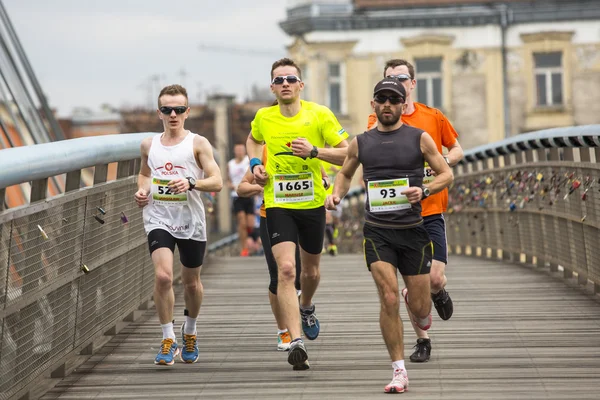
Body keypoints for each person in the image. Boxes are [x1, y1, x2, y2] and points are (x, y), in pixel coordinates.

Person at [326, 78, 453, 392]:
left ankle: (420, 307)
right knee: (388, 297)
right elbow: (344, 172)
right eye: (381, 99)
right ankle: (399, 370)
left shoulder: (419, 138)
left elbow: (446, 173)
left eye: (393, 100)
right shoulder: (361, 142)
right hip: (378, 232)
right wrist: (336, 193)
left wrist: (423, 190)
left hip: (413, 231)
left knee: (421, 307)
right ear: (373, 105)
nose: (387, 104)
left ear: (401, 105)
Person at [246, 58, 349, 370]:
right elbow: (253, 140)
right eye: (279, 80)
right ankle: (296, 341)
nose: (285, 84)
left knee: (311, 273)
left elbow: (349, 152)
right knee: (287, 270)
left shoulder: (319, 114)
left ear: (301, 85)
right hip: (278, 204)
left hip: (312, 205)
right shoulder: (264, 116)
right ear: (272, 87)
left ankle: (306, 306)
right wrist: (255, 165)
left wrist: (315, 152)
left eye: (291, 78)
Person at [366, 59, 464, 363]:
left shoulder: (432, 117)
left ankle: (438, 292)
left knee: (435, 278)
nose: (396, 84)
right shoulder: (375, 121)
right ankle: (423, 340)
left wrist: (440, 167)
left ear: (413, 83)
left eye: (402, 78)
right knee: (405, 285)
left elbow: (457, 148)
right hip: (394, 214)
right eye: (389, 80)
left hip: (430, 209)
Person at [134, 84, 223, 366]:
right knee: (163, 276)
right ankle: (168, 338)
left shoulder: (198, 143)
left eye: (179, 109)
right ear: (158, 112)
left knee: (191, 283)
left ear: (188, 112)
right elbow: (144, 174)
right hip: (158, 217)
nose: (173, 114)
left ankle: (190, 331)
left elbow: (218, 182)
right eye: (167, 109)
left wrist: (191, 182)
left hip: (191, 220)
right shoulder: (149, 144)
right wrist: (142, 190)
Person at [237, 146, 331, 360]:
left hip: (305, 213)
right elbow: (241, 188)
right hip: (273, 215)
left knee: (306, 274)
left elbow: (325, 180)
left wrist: (321, 184)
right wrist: (261, 186)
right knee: (278, 275)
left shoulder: (304, 145)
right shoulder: (265, 150)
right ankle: (284, 331)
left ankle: (305, 308)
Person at [227, 143, 256, 256]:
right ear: (234, 151)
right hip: (236, 196)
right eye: (237, 150)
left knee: (250, 225)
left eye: (241, 150)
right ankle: (244, 248)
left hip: (248, 195)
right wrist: (231, 186)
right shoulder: (230, 164)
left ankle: (250, 239)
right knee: (242, 223)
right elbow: (228, 180)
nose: (239, 152)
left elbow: (253, 176)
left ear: (244, 151)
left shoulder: (249, 162)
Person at [321, 160, 342, 256]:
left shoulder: (337, 158)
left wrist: (336, 171)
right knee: (327, 219)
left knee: (335, 220)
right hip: (325, 195)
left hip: (337, 194)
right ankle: (331, 245)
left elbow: (345, 174)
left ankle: (334, 229)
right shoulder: (319, 159)